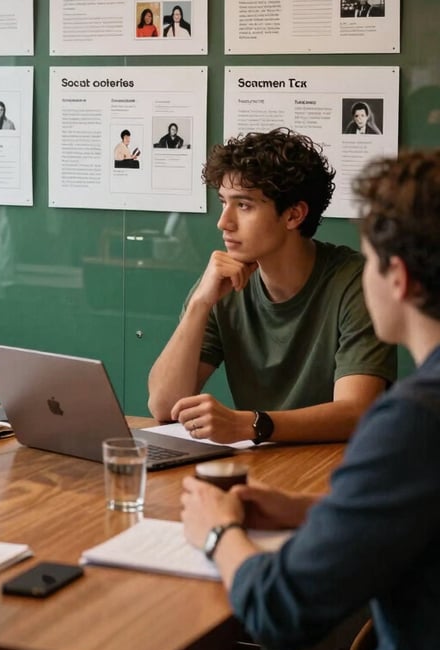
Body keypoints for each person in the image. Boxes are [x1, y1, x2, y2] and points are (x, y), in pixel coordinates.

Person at [158, 149, 440, 650]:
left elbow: (277, 610)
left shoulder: (412, 421)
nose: (224, 222)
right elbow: (162, 404)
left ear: (398, 278)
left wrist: (219, 533)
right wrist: (310, 510)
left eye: (368, 260)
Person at [148, 128, 394, 442]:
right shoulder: (220, 283)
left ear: (294, 215)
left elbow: (355, 412)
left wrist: (249, 425)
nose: (224, 222)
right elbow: (164, 407)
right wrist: (200, 304)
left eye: (244, 205)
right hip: (260, 462)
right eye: (224, 202)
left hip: (337, 465)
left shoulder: (355, 282)